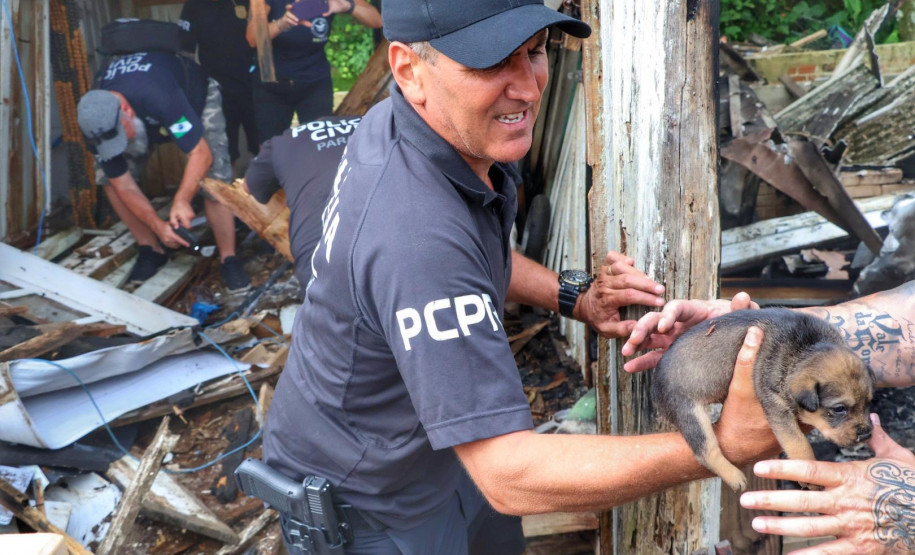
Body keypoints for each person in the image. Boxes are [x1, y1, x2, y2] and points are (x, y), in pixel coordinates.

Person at [261, 2, 782, 553]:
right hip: (369, 502)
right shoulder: (413, 234)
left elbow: (479, 256)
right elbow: (509, 474)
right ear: (410, 70)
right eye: (488, 66)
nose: (528, 89)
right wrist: (719, 445)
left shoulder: (432, 129)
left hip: (440, 455)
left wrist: (576, 298)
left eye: (533, 54)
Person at [622, 281, 915, 555]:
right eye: (841, 411)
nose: (860, 425)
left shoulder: (804, 381)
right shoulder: (799, 379)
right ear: (806, 398)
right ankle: (715, 460)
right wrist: (729, 328)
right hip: (684, 385)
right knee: (703, 438)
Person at [77, 51, 251, 290]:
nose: (118, 145)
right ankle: (151, 248)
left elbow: (202, 154)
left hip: (192, 98)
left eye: (119, 137)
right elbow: (122, 184)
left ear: (126, 110)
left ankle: (228, 258)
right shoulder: (94, 122)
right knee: (107, 178)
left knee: (215, 178)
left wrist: (182, 200)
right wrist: (157, 225)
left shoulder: (160, 96)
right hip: (145, 113)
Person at [243, 115, 362, 286]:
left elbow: (248, 187)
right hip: (394, 250)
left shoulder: (281, 143)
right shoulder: (375, 121)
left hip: (321, 264)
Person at [245, 0, 381, 144]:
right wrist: (282, 23)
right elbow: (253, 39)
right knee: (270, 148)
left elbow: (377, 21)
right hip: (273, 82)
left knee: (319, 145)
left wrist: (347, 6)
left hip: (315, 80)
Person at [179, 0, 259, 168]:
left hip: (256, 85)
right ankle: (227, 193)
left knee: (264, 148)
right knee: (223, 156)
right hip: (216, 90)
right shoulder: (193, 6)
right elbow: (185, 52)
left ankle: (268, 192)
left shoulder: (252, 2)